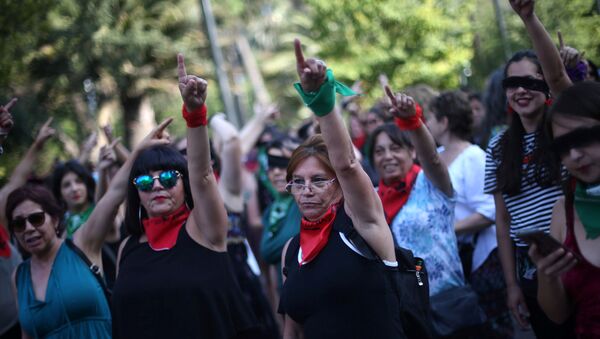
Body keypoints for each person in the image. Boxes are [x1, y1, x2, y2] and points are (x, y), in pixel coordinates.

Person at [111, 54, 259, 338]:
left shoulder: (204, 228)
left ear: (184, 185)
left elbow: (202, 175)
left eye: (167, 178)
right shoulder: (127, 246)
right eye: (144, 181)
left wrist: (194, 114)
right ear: (136, 192)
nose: (156, 186)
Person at [278, 39, 403, 338]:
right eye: (298, 182)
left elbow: (346, 163)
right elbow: (292, 329)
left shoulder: (363, 224)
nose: (306, 190)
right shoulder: (290, 251)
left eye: (319, 180)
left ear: (339, 186)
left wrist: (322, 100)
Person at [426, 90, 513, 338]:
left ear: (444, 122)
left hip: (481, 262)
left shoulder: (474, 157)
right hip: (453, 262)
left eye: (430, 118)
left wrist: (447, 229)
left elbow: (490, 211)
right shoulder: (437, 156)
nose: (427, 125)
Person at [530, 81, 600, 338]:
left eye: (583, 138)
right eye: (562, 146)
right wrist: (547, 273)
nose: (574, 154)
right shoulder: (563, 211)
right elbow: (558, 315)